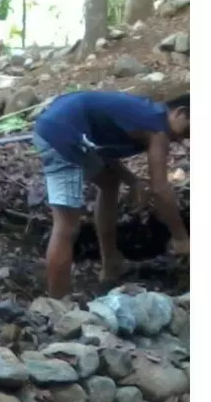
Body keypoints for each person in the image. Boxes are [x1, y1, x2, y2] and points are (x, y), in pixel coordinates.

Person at [32, 90, 188, 299]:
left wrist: (131, 180)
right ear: (180, 113)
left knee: (109, 182)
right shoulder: (158, 129)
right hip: (62, 136)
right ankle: (56, 305)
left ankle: (111, 263)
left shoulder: (145, 115)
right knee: (66, 226)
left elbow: (101, 150)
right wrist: (181, 237)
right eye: (187, 131)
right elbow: (160, 190)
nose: (183, 140)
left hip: (66, 128)